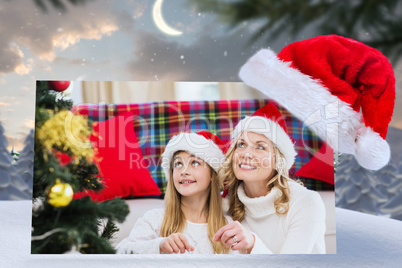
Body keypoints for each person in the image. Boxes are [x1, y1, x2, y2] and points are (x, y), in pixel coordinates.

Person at [116, 131, 265, 254]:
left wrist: (252, 243)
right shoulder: (155, 220)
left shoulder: (229, 228)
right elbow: (119, 253)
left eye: (195, 163)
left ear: (213, 176)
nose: (184, 171)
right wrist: (158, 246)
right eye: (178, 164)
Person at [213, 103, 326, 254]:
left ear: (277, 161)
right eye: (241, 144)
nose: (246, 153)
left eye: (260, 147)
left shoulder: (306, 202)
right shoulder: (225, 204)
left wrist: (253, 243)